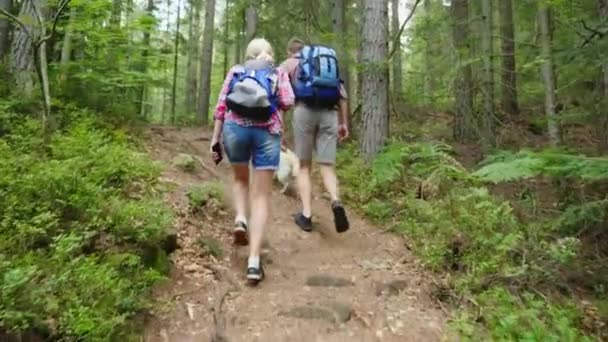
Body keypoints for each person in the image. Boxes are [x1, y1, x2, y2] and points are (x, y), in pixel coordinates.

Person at [210, 38, 295, 285]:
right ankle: (254, 263)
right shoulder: (277, 72)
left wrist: (215, 138)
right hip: (267, 134)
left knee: (239, 179)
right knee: (261, 197)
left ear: (249, 54)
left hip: (235, 129)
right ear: (269, 54)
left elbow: (221, 105)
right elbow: (288, 101)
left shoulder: (236, 70)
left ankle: (240, 218)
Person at [280, 38, 350, 233]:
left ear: (289, 52)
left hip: (305, 112)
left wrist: (280, 128)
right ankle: (336, 201)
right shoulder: (324, 63)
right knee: (327, 166)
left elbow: (281, 96)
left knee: (303, 167)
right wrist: (344, 123)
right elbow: (343, 96)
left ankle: (306, 215)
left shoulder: (288, 64)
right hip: (330, 114)